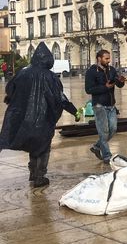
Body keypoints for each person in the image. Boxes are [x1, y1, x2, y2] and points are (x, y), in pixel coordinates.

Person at [0, 43, 80, 187]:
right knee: (43, 146)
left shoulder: (22, 72)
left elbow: (10, 90)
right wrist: (74, 111)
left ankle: (33, 172)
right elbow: (60, 98)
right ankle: (39, 176)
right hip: (44, 119)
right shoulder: (50, 76)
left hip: (25, 119)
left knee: (33, 145)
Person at [85, 50, 126, 164]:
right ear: (99, 58)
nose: (108, 61)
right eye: (106, 58)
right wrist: (105, 87)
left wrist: (121, 81)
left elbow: (118, 84)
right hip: (99, 105)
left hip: (111, 104)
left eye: (109, 58)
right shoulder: (91, 72)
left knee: (113, 129)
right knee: (104, 131)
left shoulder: (111, 70)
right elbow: (88, 89)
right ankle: (107, 156)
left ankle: (97, 146)